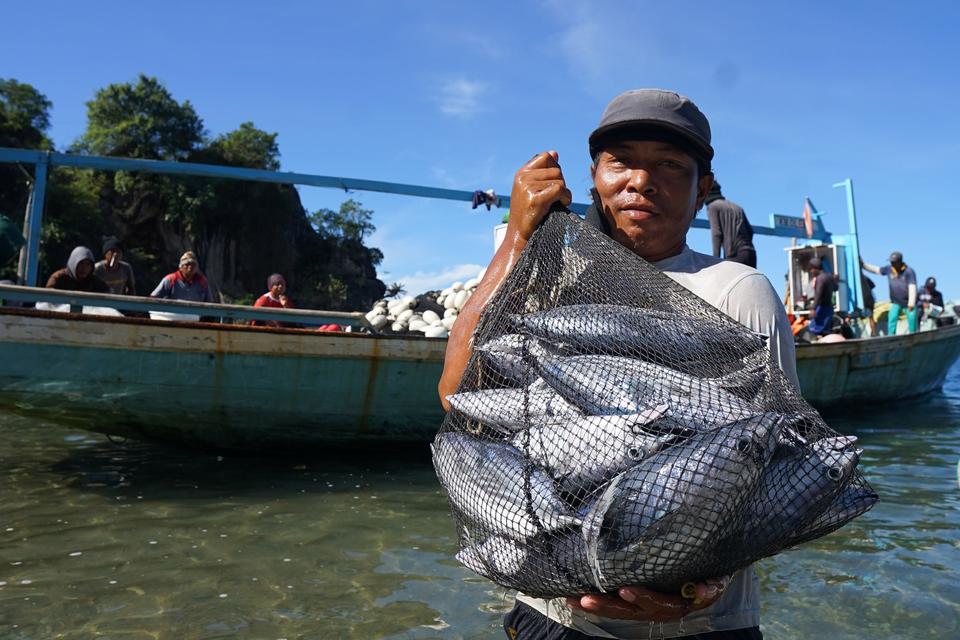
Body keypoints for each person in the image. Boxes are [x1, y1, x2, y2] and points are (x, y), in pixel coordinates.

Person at [439, 88, 799, 640]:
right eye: (621, 160)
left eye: (670, 166)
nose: (641, 180)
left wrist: (697, 586)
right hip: (552, 615)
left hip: (699, 626)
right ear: (595, 177)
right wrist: (517, 233)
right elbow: (459, 393)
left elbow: (777, 453)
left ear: (703, 189)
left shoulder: (734, 290)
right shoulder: (550, 279)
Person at [861, 251, 917, 335]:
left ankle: (913, 336)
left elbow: (912, 286)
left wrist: (911, 303)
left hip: (908, 303)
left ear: (899, 261)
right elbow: (876, 270)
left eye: (894, 262)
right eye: (891, 262)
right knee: (892, 319)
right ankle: (892, 336)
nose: (892, 263)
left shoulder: (909, 271)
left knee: (912, 320)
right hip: (896, 302)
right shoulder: (889, 269)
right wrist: (863, 265)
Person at [704, 182, 756, 268]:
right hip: (750, 252)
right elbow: (750, 231)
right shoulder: (738, 208)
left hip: (735, 255)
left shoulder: (713, 207)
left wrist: (715, 260)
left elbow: (716, 234)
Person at [45, 246, 110, 293]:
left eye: (88, 264)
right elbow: (47, 301)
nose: (84, 268)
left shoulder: (93, 282)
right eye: (81, 263)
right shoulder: (58, 278)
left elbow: (106, 295)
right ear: (74, 262)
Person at [804, 257, 836, 338]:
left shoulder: (820, 279)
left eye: (811, 269)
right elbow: (836, 287)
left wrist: (813, 309)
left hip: (822, 309)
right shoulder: (829, 276)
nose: (811, 272)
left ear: (815, 268)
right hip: (829, 308)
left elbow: (818, 294)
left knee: (812, 330)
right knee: (825, 331)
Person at [860, 271, 877, 336]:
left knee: (852, 316)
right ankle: (874, 332)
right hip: (870, 298)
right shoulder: (866, 277)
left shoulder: (854, 279)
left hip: (862, 299)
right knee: (871, 317)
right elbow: (873, 285)